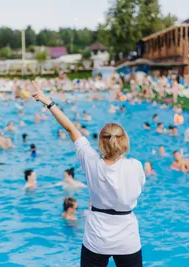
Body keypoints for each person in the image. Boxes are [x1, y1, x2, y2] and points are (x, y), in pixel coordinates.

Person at [32, 81, 144, 267]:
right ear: (124, 141)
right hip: (127, 239)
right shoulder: (136, 166)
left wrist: (48, 102)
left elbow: (70, 129)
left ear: (101, 142)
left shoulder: (91, 161)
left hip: (97, 238)